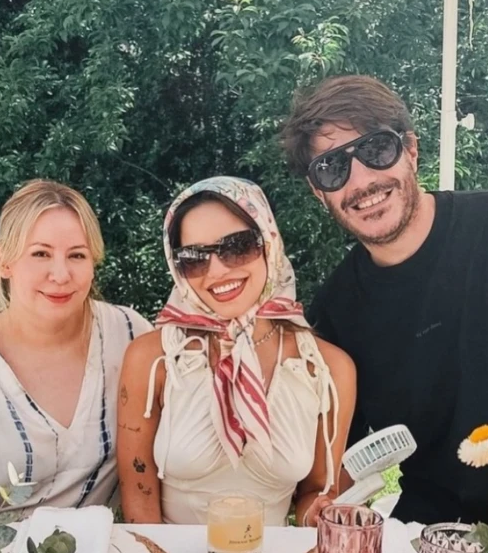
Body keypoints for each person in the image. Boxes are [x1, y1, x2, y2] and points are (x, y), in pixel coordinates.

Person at [281, 74, 488, 527]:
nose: (361, 180)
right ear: (318, 191)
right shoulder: (335, 310)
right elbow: (340, 462)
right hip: (432, 534)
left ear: (411, 149)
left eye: (375, 149)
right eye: (332, 168)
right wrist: (322, 507)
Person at [117, 176, 356, 526]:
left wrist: (318, 514)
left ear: (269, 242)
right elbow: (138, 492)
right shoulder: (154, 359)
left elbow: (315, 491)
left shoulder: (327, 369)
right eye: (194, 257)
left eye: (238, 246)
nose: (217, 270)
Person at [0, 180, 152, 510]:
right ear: (3, 261)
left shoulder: (130, 337)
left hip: (108, 543)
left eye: (77, 255)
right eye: (40, 253)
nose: (61, 274)